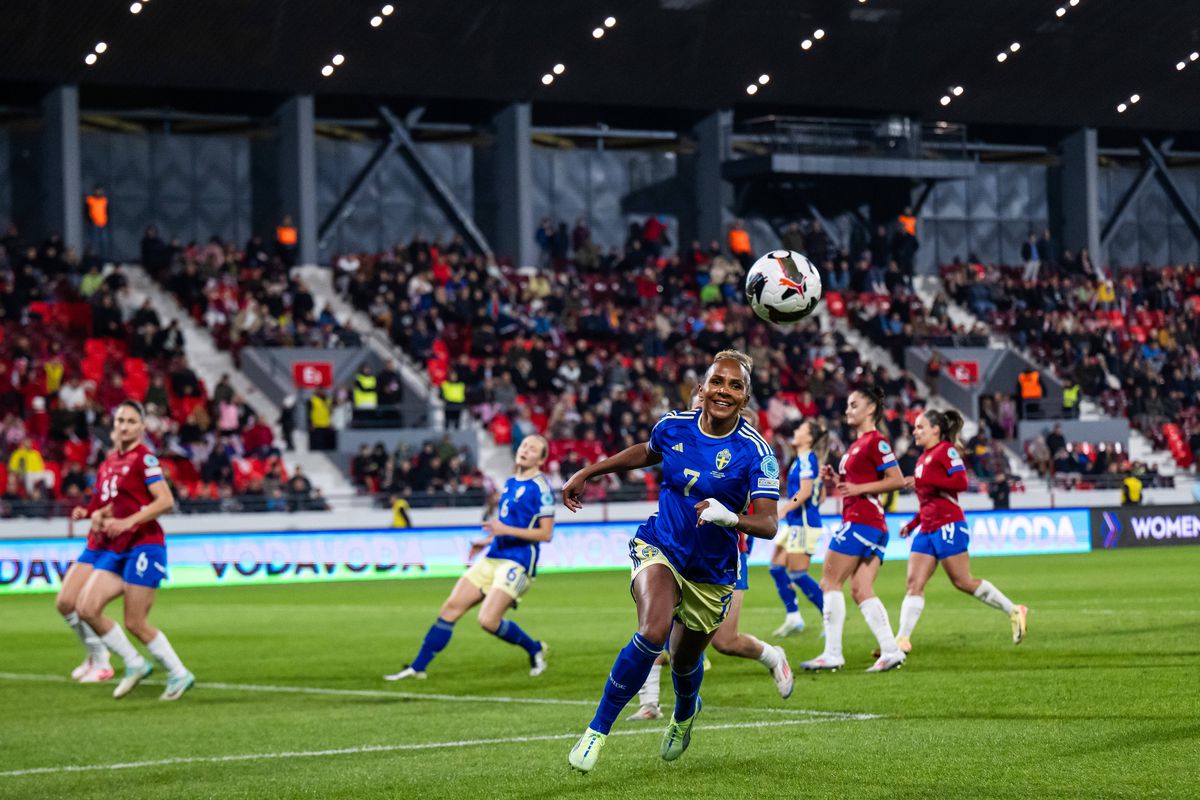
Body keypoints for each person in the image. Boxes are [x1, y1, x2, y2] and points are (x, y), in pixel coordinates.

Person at [563, 350, 780, 772]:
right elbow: (647, 451)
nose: (724, 391)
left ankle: (684, 716)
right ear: (701, 389)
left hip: (713, 572)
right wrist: (589, 472)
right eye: (717, 382)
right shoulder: (674, 425)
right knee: (653, 629)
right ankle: (596, 732)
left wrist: (731, 517)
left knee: (684, 662)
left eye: (735, 386)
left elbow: (770, 524)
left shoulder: (757, 452)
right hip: (660, 547)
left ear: (745, 397)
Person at [627, 400, 792, 723]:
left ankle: (773, 656)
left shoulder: (749, 453)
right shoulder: (684, 433)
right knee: (653, 629)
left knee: (725, 641)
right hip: (673, 549)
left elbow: (763, 515)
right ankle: (649, 703)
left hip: (723, 558)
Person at [384, 435, 554, 681]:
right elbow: (504, 526)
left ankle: (534, 648)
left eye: (533, 449)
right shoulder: (510, 483)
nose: (525, 450)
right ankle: (417, 667)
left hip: (517, 561)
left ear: (542, 458)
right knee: (450, 608)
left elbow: (546, 534)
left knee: (487, 620)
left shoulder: (542, 488)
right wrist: (485, 542)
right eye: (524, 445)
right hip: (494, 555)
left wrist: (504, 531)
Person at [74, 400, 195, 700]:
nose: (123, 426)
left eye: (130, 421)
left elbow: (165, 501)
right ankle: (135, 662)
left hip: (144, 546)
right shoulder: (112, 462)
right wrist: (98, 516)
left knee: (135, 622)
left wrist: (128, 521)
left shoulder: (145, 460)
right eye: (119, 421)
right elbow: (113, 503)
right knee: (86, 608)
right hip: (117, 547)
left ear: (141, 427)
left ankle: (179, 673)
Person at [894, 410, 1028, 652]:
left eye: (920, 427)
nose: (915, 431)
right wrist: (912, 525)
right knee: (914, 584)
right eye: (915, 427)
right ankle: (901, 640)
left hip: (949, 525)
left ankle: (1014, 610)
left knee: (962, 582)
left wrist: (925, 482)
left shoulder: (946, 451)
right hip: (927, 528)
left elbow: (961, 482)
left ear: (936, 429)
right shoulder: (923, 458)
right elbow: (928, 501)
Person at [800, 386, 907, 673]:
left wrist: (859, 487)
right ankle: (891, 650)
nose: (847, 410)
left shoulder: (876, 442)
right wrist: (837, 479)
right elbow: (857, 485)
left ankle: (832, 653)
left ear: (870, 408)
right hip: (869, 522)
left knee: (829, 581)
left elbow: (897, 480)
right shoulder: (857, 445)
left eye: (853, 404)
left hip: (862, 520)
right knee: (861, 589)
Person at [770, 420, 828, 637]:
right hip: (796, 522)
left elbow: (805, 492)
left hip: (803, 524)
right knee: (776, 567)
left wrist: (784, 510)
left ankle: (829, 616)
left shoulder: (806, 459)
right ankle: (793, 617)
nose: (795, 431)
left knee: (798, 574)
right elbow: (819, 495)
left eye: (800, 430)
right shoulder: (804, 460)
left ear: (810, 438)